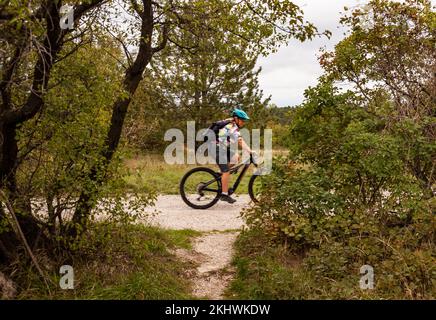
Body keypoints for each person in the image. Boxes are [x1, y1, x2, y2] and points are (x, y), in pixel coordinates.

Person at [213, 108, 253, 204]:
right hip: (215, 148)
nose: (243, 123)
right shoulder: (230, 126)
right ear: (236, 118)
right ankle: (224, 194)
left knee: (236, 157)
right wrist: (250, 151)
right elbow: (239, 141)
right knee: (226, 171)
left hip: (221, 147)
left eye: (244, 121)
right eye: (242, 120)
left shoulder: (232, 125)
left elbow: (237, 139)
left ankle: (220, 173)